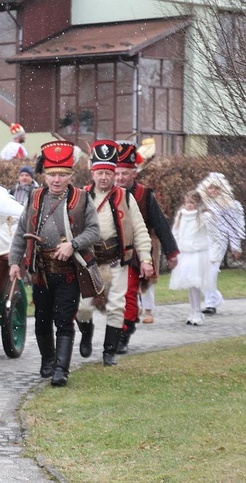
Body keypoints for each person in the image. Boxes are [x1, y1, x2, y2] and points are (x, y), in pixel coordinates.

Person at [8, 141, 100, 387]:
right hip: (41, 271)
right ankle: (48, 360)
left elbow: (94, 231)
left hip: (69, 271)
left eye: (62, 174)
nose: (57, 179)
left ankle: (61, 369)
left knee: (64, 319)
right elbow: (21, 232)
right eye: (52, 175)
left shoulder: (82, 199)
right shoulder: (35, 197)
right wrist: (15, 261)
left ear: (71, 175)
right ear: (45, 176)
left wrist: (73, 244)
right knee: (41, 318)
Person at [75, 140, 153, 367]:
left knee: (117, 305)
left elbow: (139, 229)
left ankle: (109, 351)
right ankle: (87, 335)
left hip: (117, 259)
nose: (104, 178)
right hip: (89, 261)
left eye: (108, 173)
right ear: (92, 173)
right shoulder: (81, 196)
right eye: (100, 173)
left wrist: (146, 258)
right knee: (83, 306)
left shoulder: (125, 198)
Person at [114, 141, 179, 352]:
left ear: (134, 173)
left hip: (135, 254)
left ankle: (124, 334)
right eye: (117, 173)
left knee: (129, 293)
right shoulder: (104, 193)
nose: (120, 178)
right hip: (109, 253)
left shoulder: (144, 195)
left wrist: (171, 252)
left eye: (125, 173)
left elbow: (160, 224)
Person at [195, 172, 245, 315]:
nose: (212, 191)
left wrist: (235, 246)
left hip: (219, 241)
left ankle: (210, 304)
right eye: (210, 188)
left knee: (211, 272)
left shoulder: (230, 205)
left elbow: (234, 227)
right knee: (200, 273)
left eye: (216, 189)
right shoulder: (202, 203)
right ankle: (216, 298)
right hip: (204, 241)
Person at [169, 191, 215, 326]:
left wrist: (213, 254)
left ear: (198, 203)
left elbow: (212, 235)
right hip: (185, 253)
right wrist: (174, 251)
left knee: (196, 283)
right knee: (190, 284)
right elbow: (176, 233)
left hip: (198, 253)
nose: (189, 205)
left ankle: (197, 312)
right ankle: (194, 311)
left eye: (192, 203)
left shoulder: (204, 217)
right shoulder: (181, 215)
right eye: (187, 202)